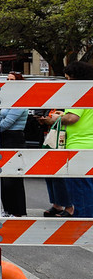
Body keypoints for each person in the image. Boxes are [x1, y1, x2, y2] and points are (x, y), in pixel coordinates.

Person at [39, 61, 93, 218]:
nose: (67, 82)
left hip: (78, 142)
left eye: (68, 79)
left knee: (81, 187)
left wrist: (55, 118)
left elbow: (72, 118)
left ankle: (84, 223)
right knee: (87, 185)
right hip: (88, 142)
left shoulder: (79, 93)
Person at [0, 72, 28, 217]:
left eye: (12, 80)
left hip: (14, 138)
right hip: (4, 137)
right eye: (7, 79)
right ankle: (7, 209)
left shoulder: (21, 100)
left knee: (13, 178)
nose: (8, 82)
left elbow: (8, 122)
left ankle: (18, 211)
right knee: (2, 176)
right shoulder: (7, 98)